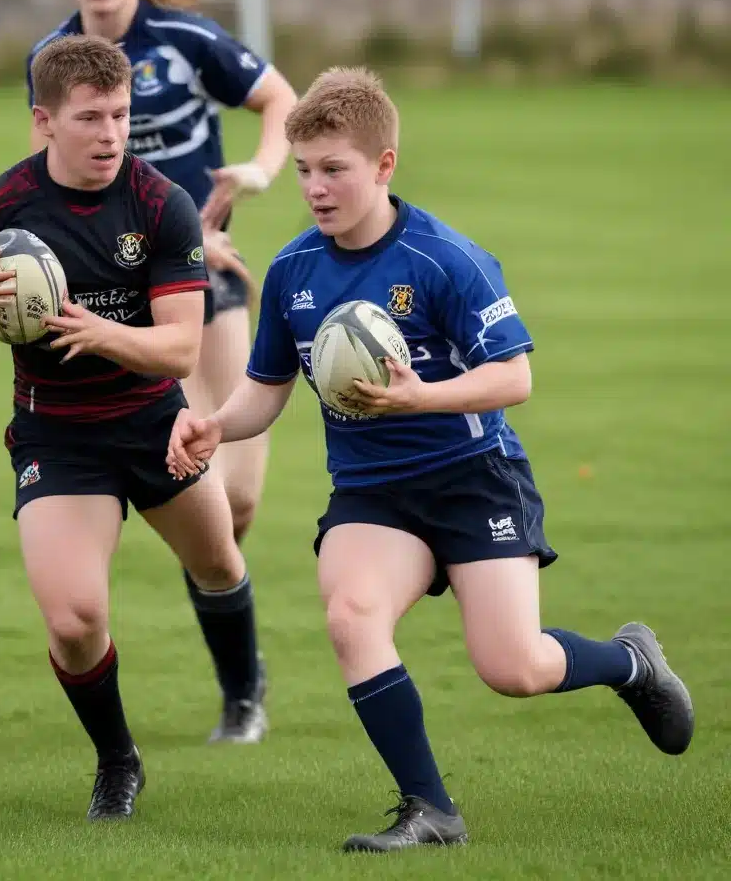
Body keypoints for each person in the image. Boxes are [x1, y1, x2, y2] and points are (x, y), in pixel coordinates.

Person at [167, 67, 694, 852]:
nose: (315, 186)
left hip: (471, 478)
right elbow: (267, 388)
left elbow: (514, 376)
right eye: (305, 169)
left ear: (383, 166)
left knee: (513, 667)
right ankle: (430, 810)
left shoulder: (446, 258)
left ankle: (630, 663)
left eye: (334, 169)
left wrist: (420, 399)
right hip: (373, 492)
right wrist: (215, 425)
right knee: (352, 615)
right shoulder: (292, 272)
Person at [0, 34, 265, 819]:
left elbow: (181, 346)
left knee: (219, 562)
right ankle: (118, 760)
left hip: (154, 421)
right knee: (74, 618)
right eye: (91, 118)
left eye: (120, 115)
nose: (111, 133)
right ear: (44, 121)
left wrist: (98, 333)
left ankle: (242, 694)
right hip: (57, 435)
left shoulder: (160, 203)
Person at [26, 0, 297, 740]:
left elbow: (280, 100)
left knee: (238, 503)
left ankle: (241, 681)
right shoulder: (50, 56)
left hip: (203, 285)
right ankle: (237, 692)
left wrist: (255, 173)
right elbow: (49, 189)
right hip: (109, 296)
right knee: (178, 486)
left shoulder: (184, 39)